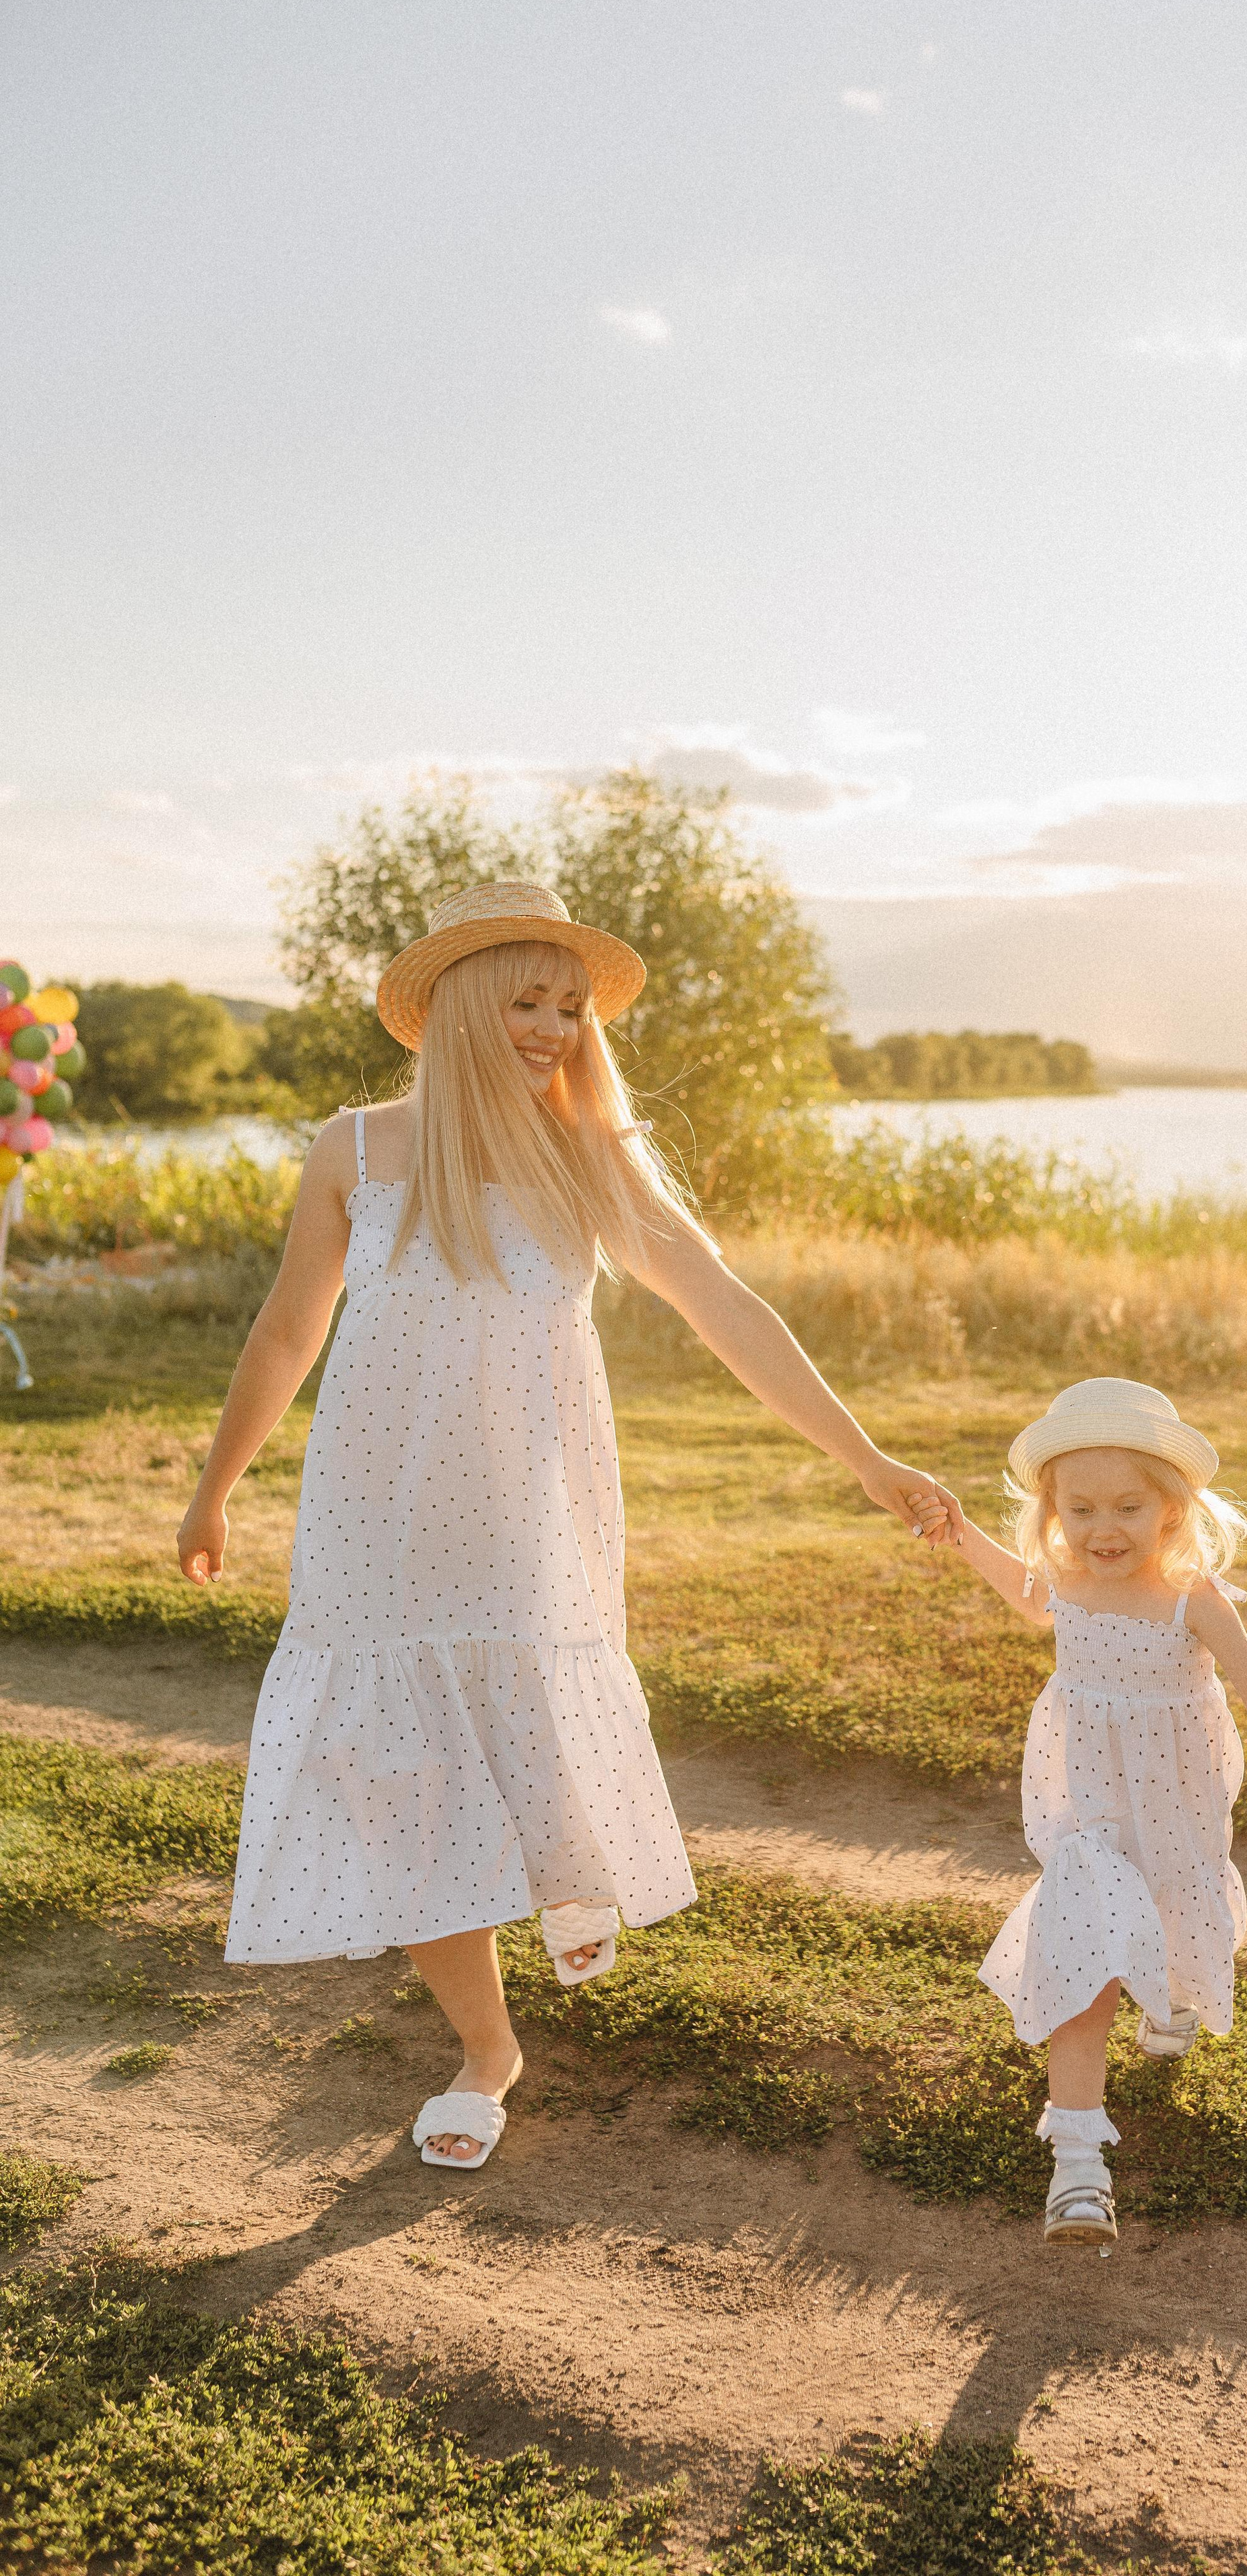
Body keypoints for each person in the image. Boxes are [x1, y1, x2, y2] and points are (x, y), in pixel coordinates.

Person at [176, 880, 960, 2171]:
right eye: (527, 1000)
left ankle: (574, 1866)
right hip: (376, 1518)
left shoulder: (590, 1154)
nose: (551, 1027)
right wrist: (216, 1484)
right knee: (405, 1772)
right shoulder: (357, 1152)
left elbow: (724, 1304)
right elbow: (284, 1333)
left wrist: (865, 1457)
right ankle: (489, 2052)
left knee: (529, 1717)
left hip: (525, 1510)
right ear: (462, 1009)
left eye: (568, 1005)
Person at [927, 1376, 1247, 2247]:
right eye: (1080, 1508)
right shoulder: (1063, 1585)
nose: (1103, 1527)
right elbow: (1011, 1581)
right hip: (1086, 1815)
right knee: (1088, 1950)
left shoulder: (1195, 1603)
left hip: (1178, 1803)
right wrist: (957, 1529)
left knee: (1176, 1902)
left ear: (1171, 1515)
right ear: (1053, 1512)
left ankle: (1174, 1993)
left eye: (1127, 1506)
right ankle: (1079, 2168)